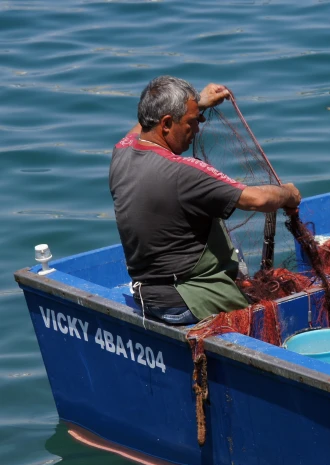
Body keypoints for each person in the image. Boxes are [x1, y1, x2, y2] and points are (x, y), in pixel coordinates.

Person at [109, 75, 301, 324]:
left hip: (149, 298)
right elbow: (258, 199)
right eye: (191, 121)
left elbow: (144, 125)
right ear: (166, 123)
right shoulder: (183, 172)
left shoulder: (121, 151)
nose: (198, 128)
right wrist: (288, 194)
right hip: (188, 302)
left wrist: (198, 102)